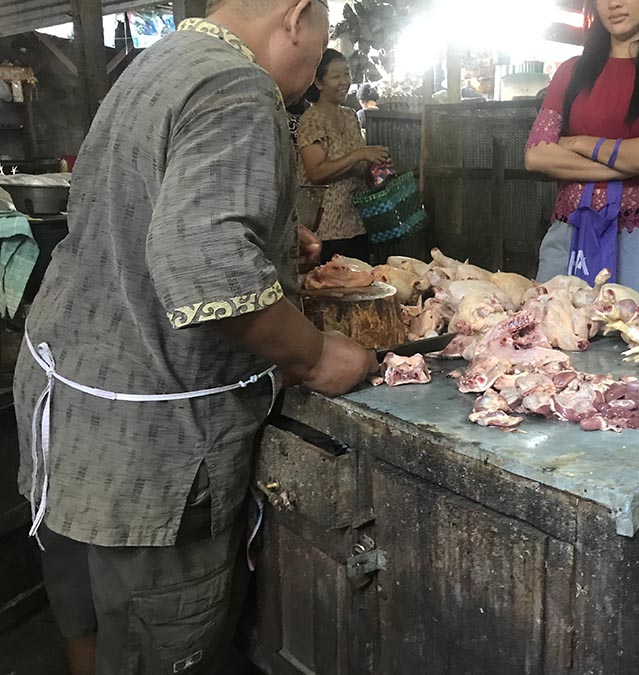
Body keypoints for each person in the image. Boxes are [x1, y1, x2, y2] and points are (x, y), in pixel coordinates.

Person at [12, 1, 378, 674]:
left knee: (90, 622)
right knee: (155, 646)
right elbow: (205, 269)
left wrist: (266, 240)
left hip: (68, 419)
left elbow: (151, 209)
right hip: (152, 456)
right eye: (323, 38)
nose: (313, 67)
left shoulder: (160, 63)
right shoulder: (239, 85)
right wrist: (317, 353)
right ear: (297, 17)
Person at [524, 0, 639, 291]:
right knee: (550, 326)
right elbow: (537, 155)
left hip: (637, 238)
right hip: (569, 232)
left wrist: (575, 142)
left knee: (629, 328)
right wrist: (631, 157)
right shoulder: (570, 71)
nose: (614, 4)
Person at [296, 49, 389, 263]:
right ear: (318, 83)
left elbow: (359, 165)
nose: (344, 81)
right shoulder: (312, 120)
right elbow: (316, 173)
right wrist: (359, 154)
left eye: (347, 74)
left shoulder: (349, 116)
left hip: (357, 223)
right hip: (326, 230)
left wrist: (377, 167)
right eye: (336, 76)